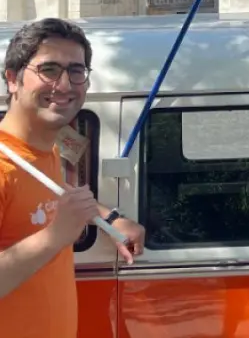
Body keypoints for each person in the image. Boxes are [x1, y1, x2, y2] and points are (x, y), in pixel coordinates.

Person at [0, 18, 146, 338]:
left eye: (76, 71)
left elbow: (48, 195)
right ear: (12, 79)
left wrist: (109, 217)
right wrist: (56, 236)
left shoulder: (41, 152)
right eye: (49, 70)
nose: (65, 85)